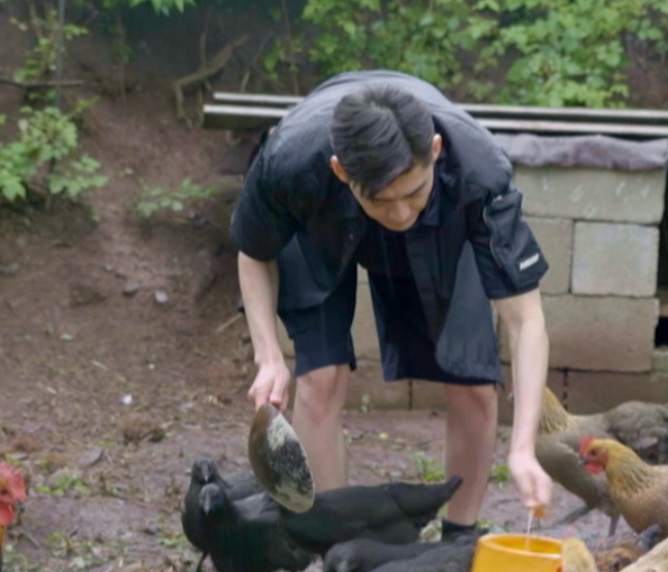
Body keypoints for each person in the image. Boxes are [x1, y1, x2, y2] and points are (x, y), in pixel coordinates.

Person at [230, 70, 552, 534]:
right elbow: (254, 252)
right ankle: (332, 544)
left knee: (473, 382)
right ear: (342, 171)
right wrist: (268, 355)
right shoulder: (290, 161)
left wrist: (522, 448)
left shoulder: (479, 173)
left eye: (412, 193)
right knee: (319, 379)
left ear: (436, 152)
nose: (399, 213)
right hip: (321, 221)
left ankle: (455, 546)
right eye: (383, 200)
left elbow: (526, 321)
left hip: (444, 226)